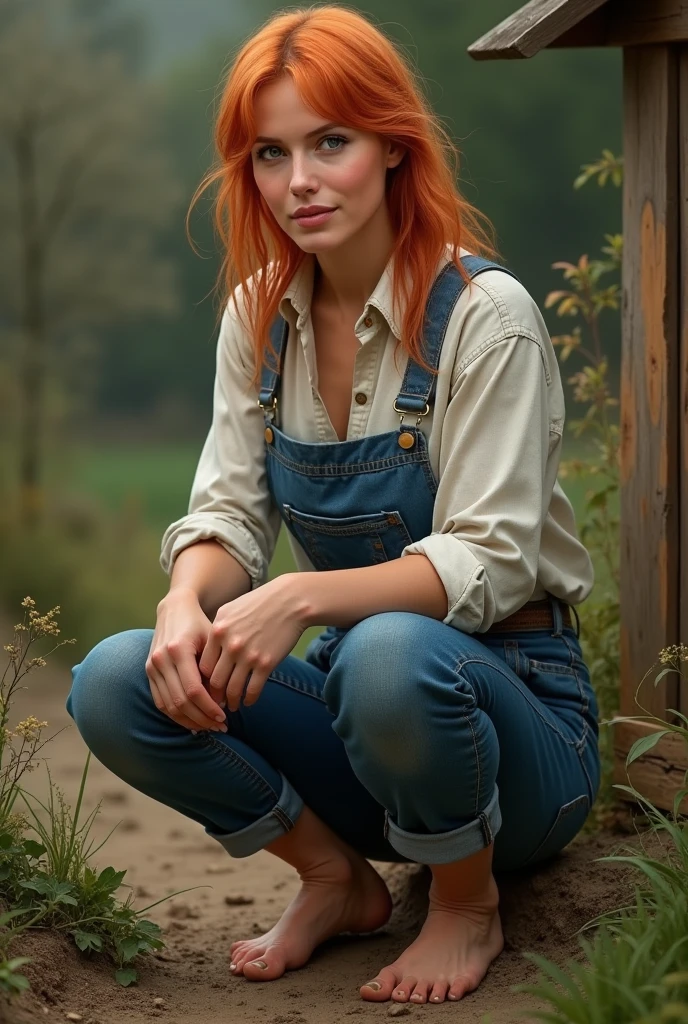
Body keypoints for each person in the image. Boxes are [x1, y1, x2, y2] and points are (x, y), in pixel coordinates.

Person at [66, 4, 600, 1007]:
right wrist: (189, 601)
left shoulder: (488, 319)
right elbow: (225, 512)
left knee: (389, 650)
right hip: (369, 733)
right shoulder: (258, 314)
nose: (299, 180)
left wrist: (301, 597)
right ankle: (332, 876)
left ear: (393, 148)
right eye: (272, 153)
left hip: (520, 740)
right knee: (113, 678)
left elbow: (486, 560)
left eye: (331, 143)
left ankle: (463, 900)